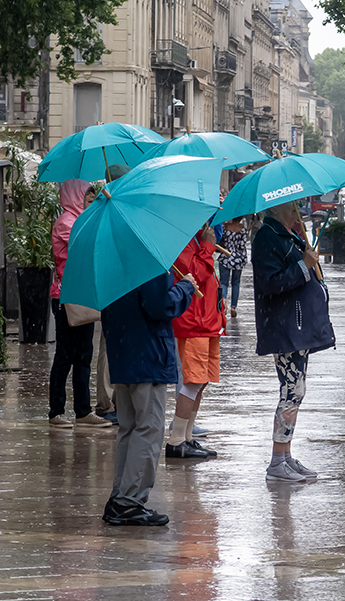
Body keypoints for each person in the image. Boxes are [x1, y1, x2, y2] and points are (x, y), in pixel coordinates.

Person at [101, 270, 196, 526]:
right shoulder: (148, 261)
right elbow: (160, 305)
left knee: (129, 428)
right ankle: (128, 501)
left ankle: (120, 496)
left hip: (124, 352)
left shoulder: (114, 262)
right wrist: (185, 288)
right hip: (148, 354)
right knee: (148, 428)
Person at [252, 202, 335, 482]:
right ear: (276, 210)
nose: (296, 212)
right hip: (285, 328)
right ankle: (277, 460)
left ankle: (285, 456)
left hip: (296, 328)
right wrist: (303, 265)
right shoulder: (267, 237)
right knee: (291, 391)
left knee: (296, 391)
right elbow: (269, 283)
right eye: (291, 208)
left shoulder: (289, 235)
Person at [48, 180, 112, 429]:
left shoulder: (79, 219)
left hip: (82, 294)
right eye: (86, 198)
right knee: (65, 355)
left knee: (84, 354)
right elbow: (84, 246)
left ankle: (83, 411)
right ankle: (56, 411)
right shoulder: (67, 222)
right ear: (75, 197)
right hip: (66, 297)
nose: (89, 203)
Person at [164, 225, 225, 459]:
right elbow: (193, 277)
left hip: (207, 321)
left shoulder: (195, 239)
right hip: (194, 322)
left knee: (202, 380)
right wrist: (208, 247)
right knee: (193, 380)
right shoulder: (180, 240)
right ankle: (177, 438)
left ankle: (187, 437)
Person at [95, 163, 132, 425]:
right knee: (109, 347)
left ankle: (118, 400)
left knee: (119, 345)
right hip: (112, 285)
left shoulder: (120, 205)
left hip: (124, 284)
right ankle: (106, 402)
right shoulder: (103, 207)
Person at [218, 217, 248, 318]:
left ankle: (224, 301)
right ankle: (233, 307)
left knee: (223, 282)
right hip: (238, 259)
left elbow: (221, 241)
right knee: (236, 283)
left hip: (226, 257)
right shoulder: (243, 230)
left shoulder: (225, 228)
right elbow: (242, 245)